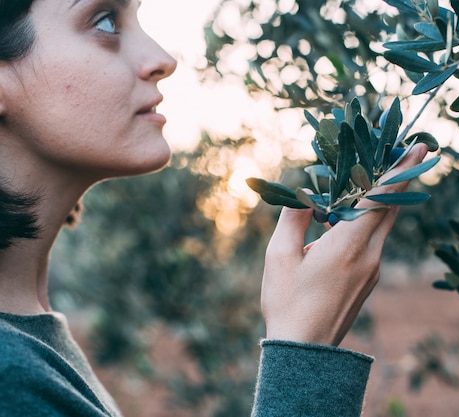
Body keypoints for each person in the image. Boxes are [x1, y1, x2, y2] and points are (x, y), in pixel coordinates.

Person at [0, 1, 430, 416]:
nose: (162, 59)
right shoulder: (9, 376)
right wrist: (304, 347)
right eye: (105, 21)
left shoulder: (25, 341)